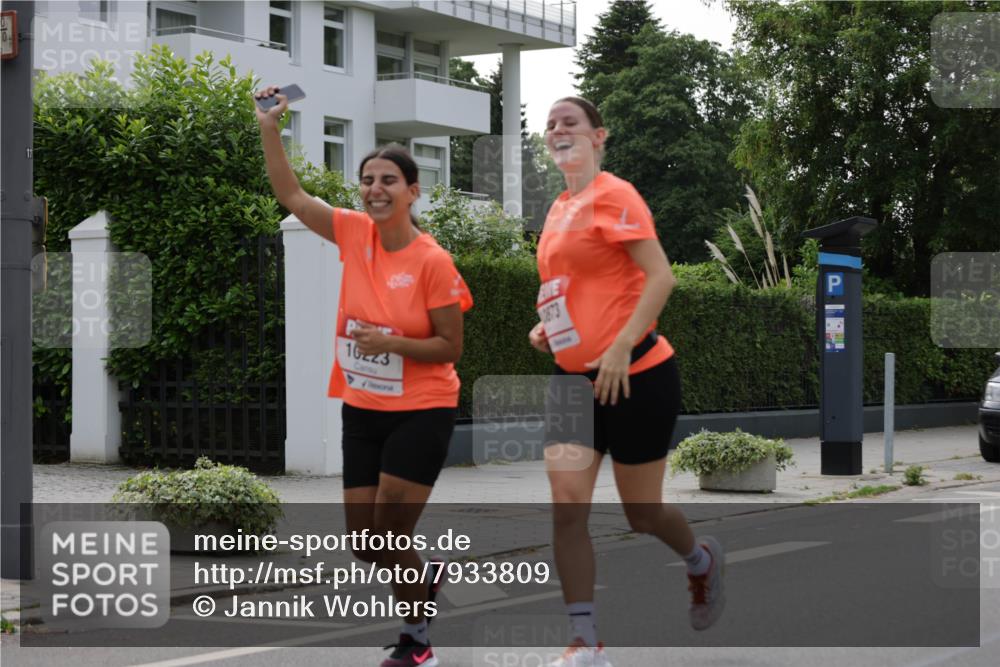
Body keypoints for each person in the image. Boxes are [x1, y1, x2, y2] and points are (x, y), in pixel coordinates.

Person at [255, 86, 472, 667]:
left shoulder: (432, 260)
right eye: (368, 180)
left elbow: (450, 346)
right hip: (362, 407)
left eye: (388, 181)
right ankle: (424, 585)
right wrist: (270, 128)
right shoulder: (353, 232)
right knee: (365, 543)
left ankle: (416, 641)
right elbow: (293, 195)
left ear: (412, 192)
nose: (375, 190)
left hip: (423, 409)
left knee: (394, 531)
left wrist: (389, 341)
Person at [530, 96, 726, 667]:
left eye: (571, 122)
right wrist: (547, 328)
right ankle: (585, 642)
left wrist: (617, 346)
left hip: (637, 373)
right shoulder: (558, 209)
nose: (559, 130)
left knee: (642, 514)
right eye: (551, 125)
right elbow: (569, 290)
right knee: (567, 509)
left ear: (598, 137)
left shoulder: (614, 195)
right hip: (571, 382)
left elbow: (659, 276)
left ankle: (700, 561)